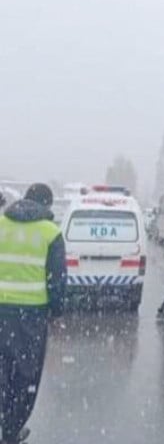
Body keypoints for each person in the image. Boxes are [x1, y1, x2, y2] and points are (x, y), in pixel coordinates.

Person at [0, 183, 66, 444]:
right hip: (31, 316)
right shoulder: (50, 233)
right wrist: (57, 310)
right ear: (47, 205)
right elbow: (57, 280)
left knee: (2, 369)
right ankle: (11, 428)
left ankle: (5, 418)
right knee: (25, 375)